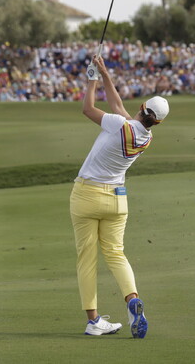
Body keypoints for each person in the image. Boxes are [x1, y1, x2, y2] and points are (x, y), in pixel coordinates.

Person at [70, 55, 169, 338]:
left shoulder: (119, 125)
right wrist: (104, 74)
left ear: (142, 107)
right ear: (157, 122)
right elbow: (118, 107)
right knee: (115, 253)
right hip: (117, 200)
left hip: (86, 195)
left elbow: (88, 109)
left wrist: (91, 79)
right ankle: (132, 299)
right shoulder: (145, 137)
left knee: (87, 258)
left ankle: (93, 321)